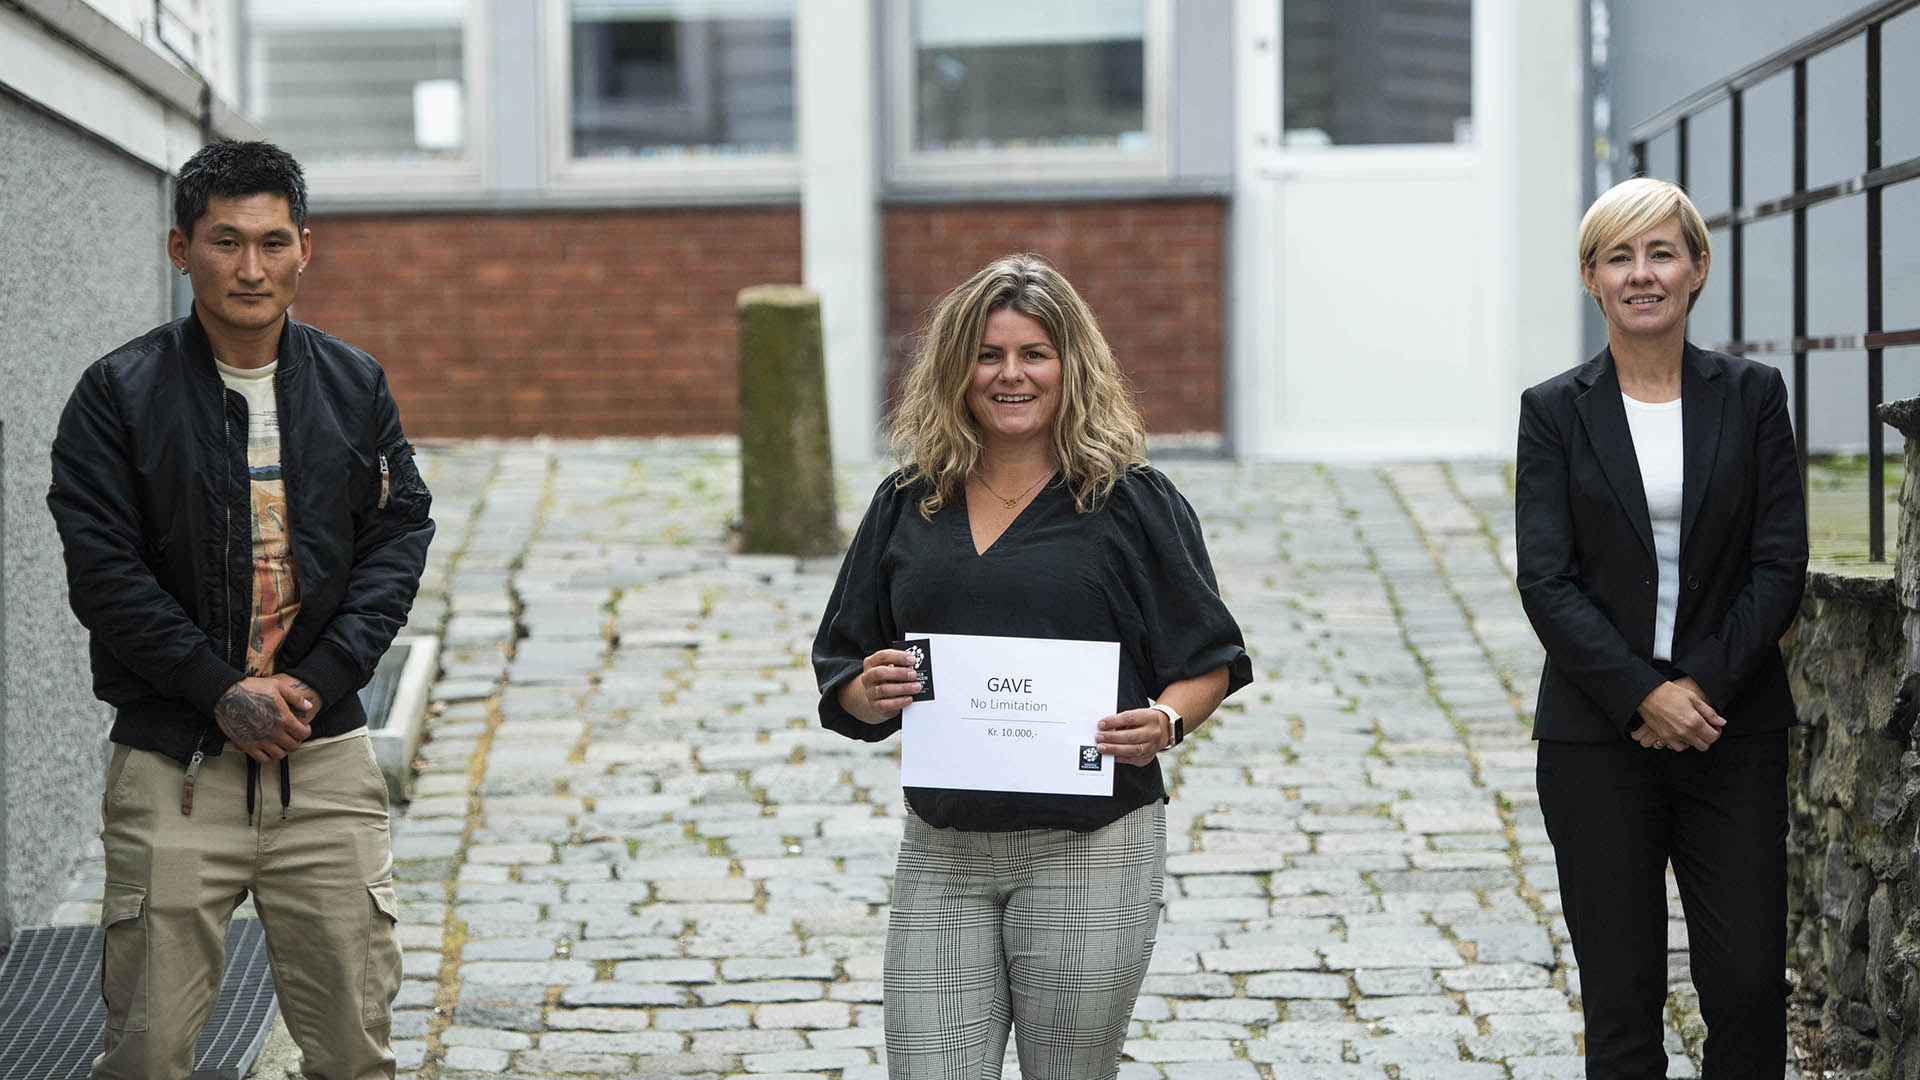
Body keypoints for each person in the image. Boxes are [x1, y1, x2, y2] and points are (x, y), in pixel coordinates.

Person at [47, 140, 433, 1080]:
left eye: (272, 242)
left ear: (306, 248)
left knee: (354, 1052)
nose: (251, 268)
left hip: (324, 764)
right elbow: (104, 573)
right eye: (225, 242)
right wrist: (217, 689)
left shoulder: (353, 384)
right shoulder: (117, 394)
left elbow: (397, 539)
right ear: (181, 250)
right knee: (147, 1052)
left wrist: (320, 680)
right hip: (174, 767)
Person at [812, 253, 1251, 1080]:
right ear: (957, 369)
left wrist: (1164, 721)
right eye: (988, 355)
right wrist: (870, 691)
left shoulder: (1133, 501)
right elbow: (845, 667)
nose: (1010, 374)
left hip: (1091, 847)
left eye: (1033, 354)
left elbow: (1210, 659)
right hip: (943, 848)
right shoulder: (908, 500)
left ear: (1069, 365)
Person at [1515, 177, 1807, 1077]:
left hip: (1731, 728)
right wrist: (1643, 693)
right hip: (1596, 739)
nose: (1641, 274)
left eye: (1661, 253)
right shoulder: (1553, 410)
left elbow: (1779, 563)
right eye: (1619, 257)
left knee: (1750, 987)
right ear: (1591, 278)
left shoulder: (1753, 396)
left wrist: (1698, 687)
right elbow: (1547, 580)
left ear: (1697, 268)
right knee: (1623, 1003)